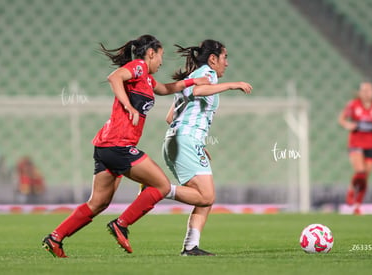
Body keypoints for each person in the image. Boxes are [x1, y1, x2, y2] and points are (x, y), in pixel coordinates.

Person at [41, 34, 210, 258]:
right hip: (118, 145)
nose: (161, 61)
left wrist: (191, 82)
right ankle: (121, 224)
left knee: (98, 203)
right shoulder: (139, 66)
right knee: (160, 186)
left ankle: (55, 237)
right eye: (160, 56)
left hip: (105, 146)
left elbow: (166, 89)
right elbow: (114, 77)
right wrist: (127, 105)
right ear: (151, 54)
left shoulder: (148, 80)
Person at [161, 39, 252, 255]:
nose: (227, 63)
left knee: (204, 197)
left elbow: (169, 117)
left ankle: (191, 246)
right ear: (213, 59)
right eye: (225, 57)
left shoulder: (191, 77)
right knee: (207, 196)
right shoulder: (205, 74)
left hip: (176, 140)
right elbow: (198, 91)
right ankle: (157, 189)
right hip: (186, 140)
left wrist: (197, 141)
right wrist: (233, 85)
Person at [338, 82, 372, 215]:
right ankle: (350, 190)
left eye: (369, 90)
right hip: (356, 144)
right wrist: (348, 125)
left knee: (365, 177)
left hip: (371, 145)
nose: (366, 93)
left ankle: (357, 206)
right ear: (360, 92)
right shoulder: (353, 105)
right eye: (364, 90)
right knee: (360, 171)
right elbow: (342, 119)